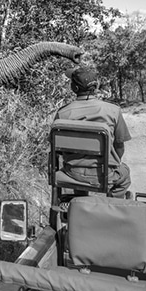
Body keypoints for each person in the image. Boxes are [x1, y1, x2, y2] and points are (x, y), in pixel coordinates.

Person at [54, 66, 132, 198]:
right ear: (97, 87)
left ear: (74, 88)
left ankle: (80, 200)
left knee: (77, 173)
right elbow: (119, 146)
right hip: (105, 174)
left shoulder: (63, 113)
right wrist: (113, 164)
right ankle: (113, 205)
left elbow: (57, 149)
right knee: (125, 174)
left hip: (73, 173)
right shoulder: (113, 111)